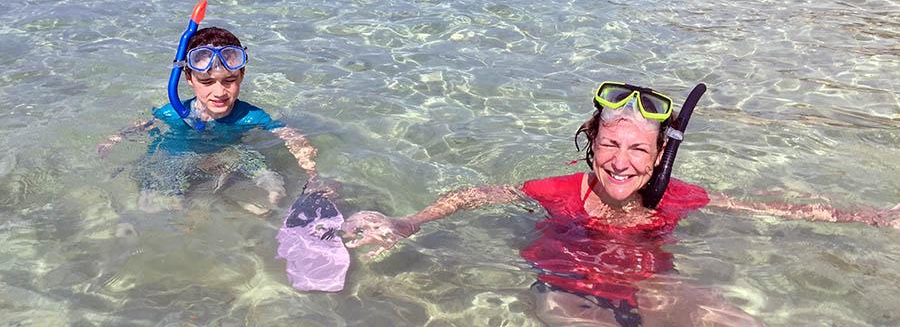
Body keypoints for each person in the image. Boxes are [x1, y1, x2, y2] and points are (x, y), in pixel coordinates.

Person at [343, 82, 899, 326]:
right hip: (569, 292)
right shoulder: (559, 191)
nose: (621, 161)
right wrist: (407, 221)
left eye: (638, 149)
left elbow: (769, 208)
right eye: (610, 144)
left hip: (654, 289)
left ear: (659, 158)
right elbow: (481, 194)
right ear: (591, 143)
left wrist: (876, 217)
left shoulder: (677, 197)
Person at [98, 25, 321, 214]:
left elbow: (287, 134)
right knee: (158, 193)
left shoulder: (249, 116)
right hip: (177, 159)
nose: (219, 92)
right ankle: (197, 203)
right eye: (206, 82)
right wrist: (114, 139)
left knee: (263, 174)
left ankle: (240, 199)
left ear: (241, 75)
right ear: (189, 78)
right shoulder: (173, 113)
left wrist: (310, 170)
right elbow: (143, 124)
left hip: (225, 159)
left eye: (229, 80)